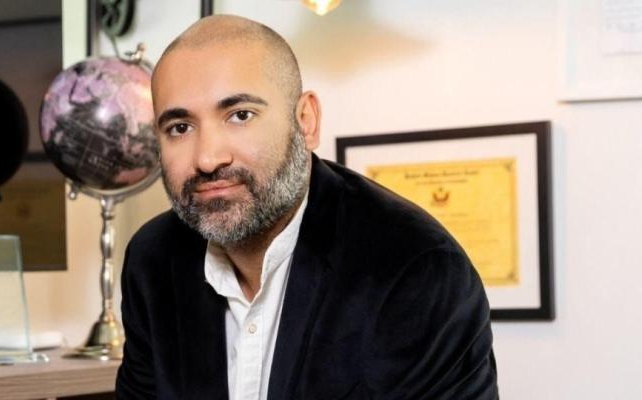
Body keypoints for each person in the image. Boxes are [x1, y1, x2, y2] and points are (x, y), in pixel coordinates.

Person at [116, 14, 498, 400]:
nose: (208, 158)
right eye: (180, 128)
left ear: (306, 121)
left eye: (240, 115)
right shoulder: (152, 262)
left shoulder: (417, 269)